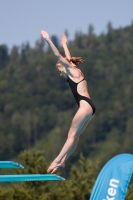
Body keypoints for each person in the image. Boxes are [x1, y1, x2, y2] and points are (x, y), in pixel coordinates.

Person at [41, 30, 96, 174]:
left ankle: (57, 160)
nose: (60, 73)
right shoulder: (74, 69)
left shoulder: (70, 69)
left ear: (64, 67)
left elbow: (58, 56)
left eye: (60, 70)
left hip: (84, 106)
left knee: (71, 133)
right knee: (74, 135)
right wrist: (65, 44)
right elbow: (68, 59)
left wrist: (48, 40)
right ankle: (63, 162)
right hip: (89, 107)